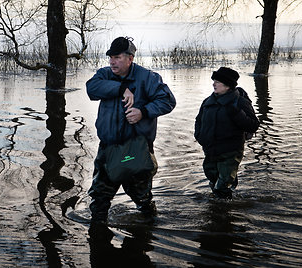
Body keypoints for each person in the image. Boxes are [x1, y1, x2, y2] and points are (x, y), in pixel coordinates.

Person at [86, 36, 176, 226]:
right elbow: (91, 89)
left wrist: (143, 112)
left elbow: (168, 101)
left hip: (135, 149)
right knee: (99, 198)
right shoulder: (104, 74)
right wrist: (121, 89)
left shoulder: (148, 78)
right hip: (108, 149)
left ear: (130, 58)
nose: (112, 61)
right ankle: (97, 242)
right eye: (110, 57)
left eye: (117, 57)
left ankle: (149, 231)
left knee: (141, 197)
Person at [194, 67, 260, 199]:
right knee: (213, 180)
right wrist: (200, 137)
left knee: (222, 186)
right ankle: (224, 203)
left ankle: (225, 213)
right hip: (210, 150)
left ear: (228, 85)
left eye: (217, 81)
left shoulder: (240, 102)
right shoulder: (208, 101)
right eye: (214, 81)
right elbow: (198, 120)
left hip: (230, 151)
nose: (214, 84)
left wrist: (235, 112)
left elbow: (253, 125)